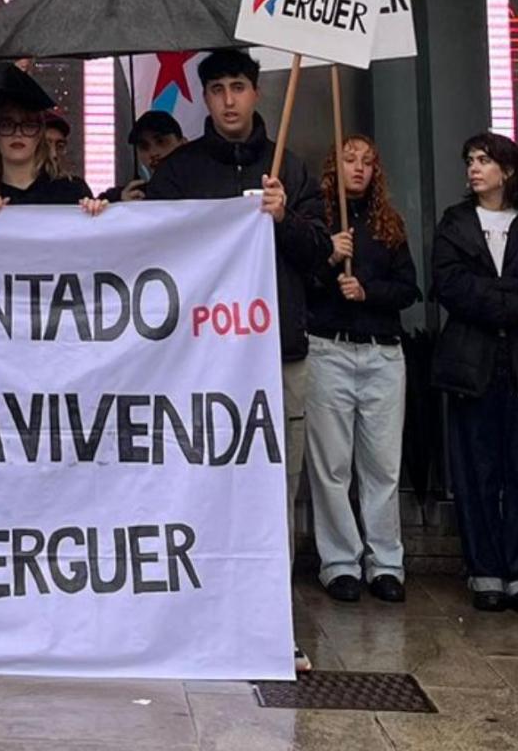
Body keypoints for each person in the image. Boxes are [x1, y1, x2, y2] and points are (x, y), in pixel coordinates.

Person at [145, 48, 329, 671]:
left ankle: (269, 625)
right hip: (194, 366)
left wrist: (283, 220)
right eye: (217, 88)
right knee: (191, 490)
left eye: (239, 88)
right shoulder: (178, 172)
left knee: (274, 497)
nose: (228, 99)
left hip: (277, 358)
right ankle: (189, 618)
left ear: (257, 94)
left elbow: (321, 259)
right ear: (204, 98)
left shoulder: (293, 171)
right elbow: (145, 252)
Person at [431, 132, 518, 617]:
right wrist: (507, 304)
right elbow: (450, 286)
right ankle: (484, 571)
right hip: (470, 363)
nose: (474, 169)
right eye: (470, 161)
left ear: (506, 169)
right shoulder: (455, 222)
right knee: (476, 470)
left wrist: (493, 297)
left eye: (484, 160)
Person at [304, 135, 421, 604]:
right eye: (350, 160)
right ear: (335, 166)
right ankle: (339, 563)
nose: (359, 168)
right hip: (329, 349)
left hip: (381, 353)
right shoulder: (320, 222)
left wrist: (366, 290)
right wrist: (328, 257)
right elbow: (301, 283)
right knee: (331, 465)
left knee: (382, 467)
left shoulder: (389, 224)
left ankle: (386, 563)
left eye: (368, 161)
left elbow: (409, 289)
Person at [0, 102, 104, 213]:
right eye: (7, 125)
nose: (18, 134)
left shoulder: (72, 190)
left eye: (28, 126)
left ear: (40, 136)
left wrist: (95, 214)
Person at [102, 110, 185, 202]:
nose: (153, 153)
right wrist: (121, 207)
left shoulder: (201, 187)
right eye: (144, 146)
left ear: (183, 143)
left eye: (161, 142)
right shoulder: (129, 195)